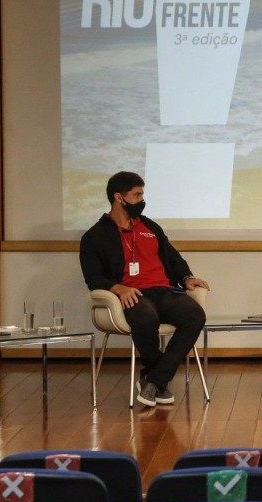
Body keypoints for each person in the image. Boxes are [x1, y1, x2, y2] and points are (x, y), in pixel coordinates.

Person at [79, 171, 208, 408]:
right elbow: (93, 277)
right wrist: (118, 288)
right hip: (133, 294)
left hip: (164, 290)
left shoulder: (150, 227)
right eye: (137, 195)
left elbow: (172, 256)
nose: (142, 200)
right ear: (119, 197)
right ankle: (157, 380)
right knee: (146, 317)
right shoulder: (95, 236)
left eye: (142, 194)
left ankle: (154, 379)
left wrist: (187, 277)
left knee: (194, 315)